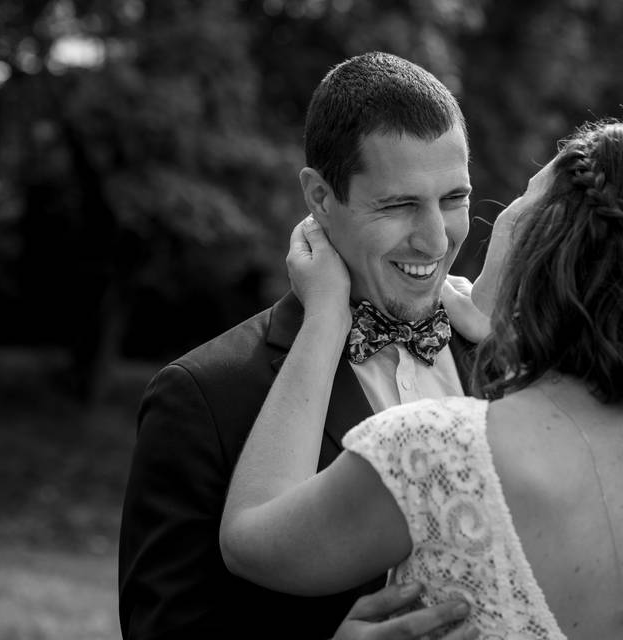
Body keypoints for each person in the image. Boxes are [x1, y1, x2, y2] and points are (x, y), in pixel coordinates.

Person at [220, 120, 623, 639]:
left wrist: (323, 321)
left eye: (525, 198)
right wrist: (505, 330)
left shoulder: (436, 450)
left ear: (548, 242)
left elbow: (250, 539)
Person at [118, 52, 480, 639]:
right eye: (398, 204)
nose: (436, 238)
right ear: (319, 196)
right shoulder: (203, 397)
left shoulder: (509, 356)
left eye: (454, 198)